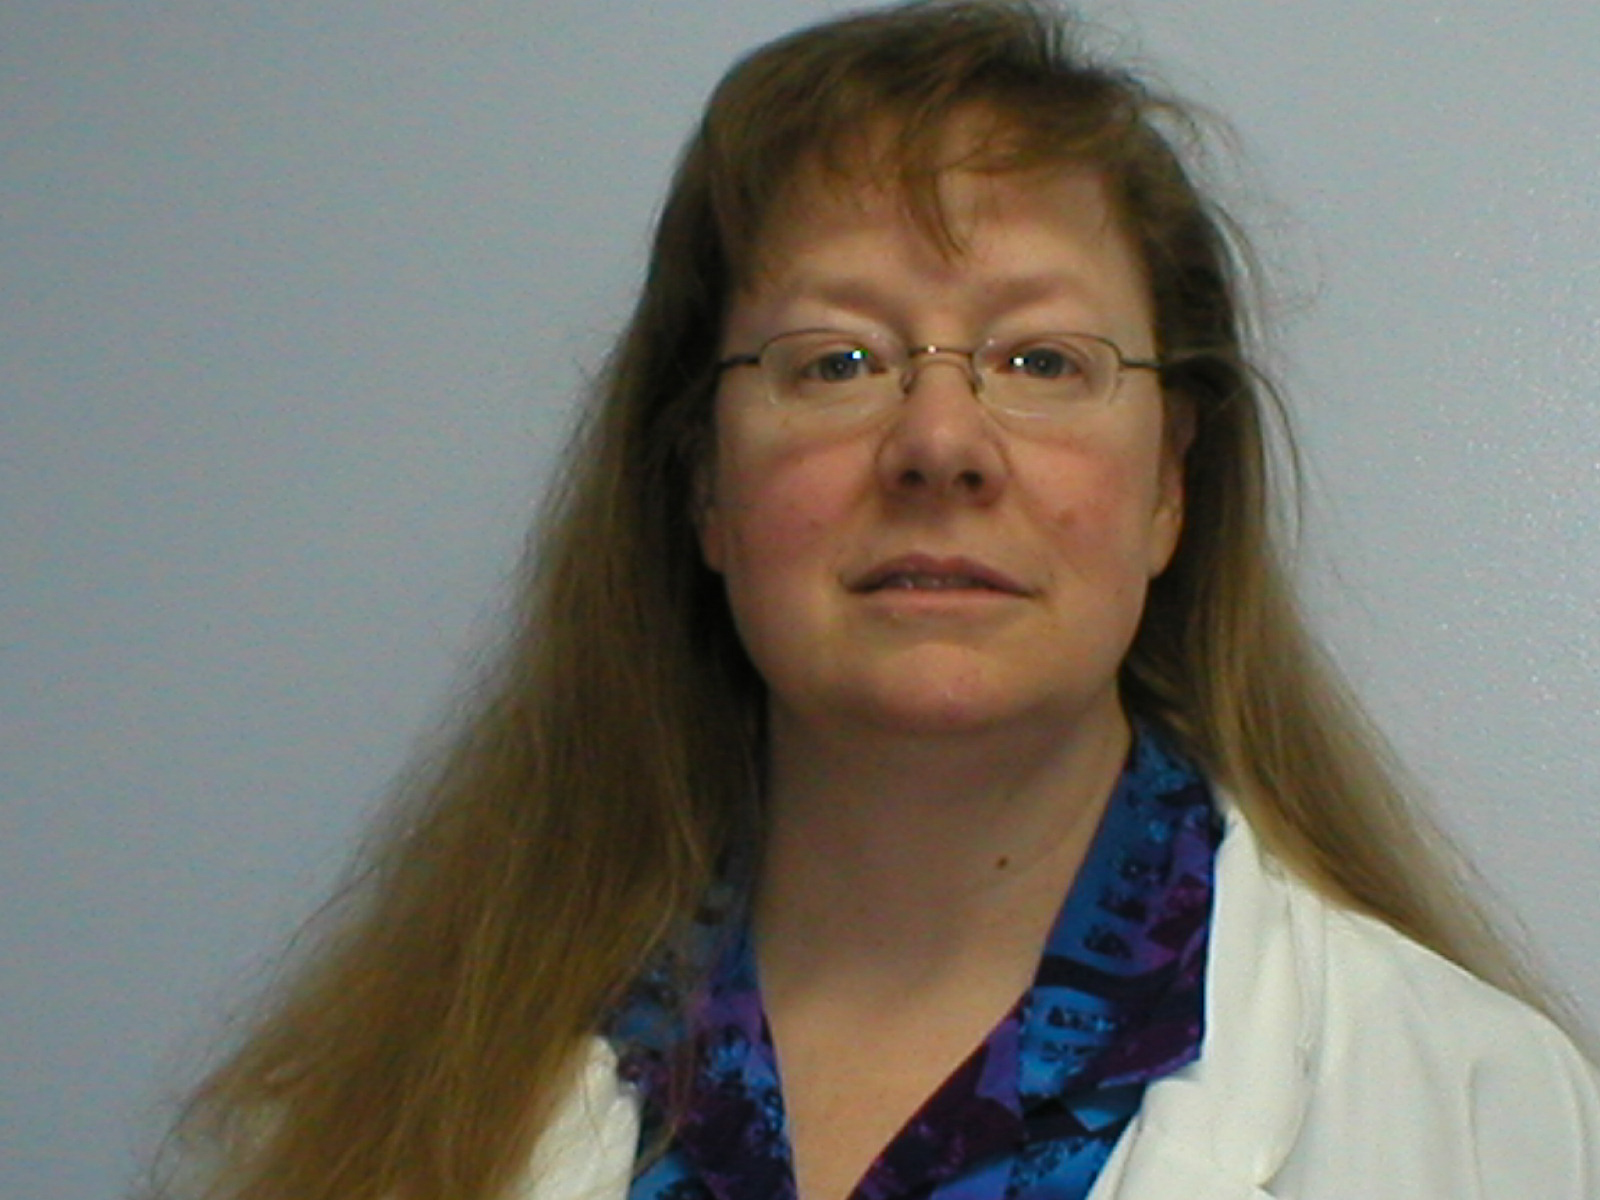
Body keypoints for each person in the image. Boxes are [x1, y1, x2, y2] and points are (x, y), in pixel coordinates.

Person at [150, 3, 1600, 1199]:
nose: (941, 442)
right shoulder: (357, 1130)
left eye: (1042, 360)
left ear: (1171, 484)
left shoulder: (1488, 1122)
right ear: (705, 485)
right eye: (836, 361)